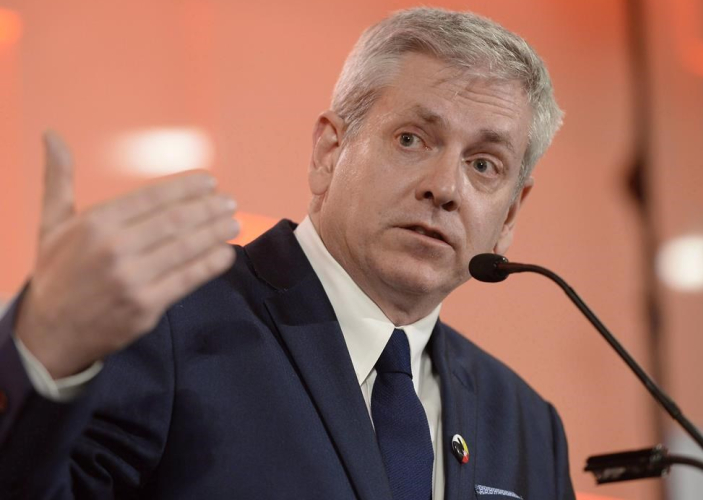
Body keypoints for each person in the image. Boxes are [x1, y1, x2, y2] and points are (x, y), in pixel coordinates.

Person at [0, 7, 575, 500]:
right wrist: (39, 354)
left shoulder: (527, 423)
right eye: (412, 139)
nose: (445, 188)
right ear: (329, 151)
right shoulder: (169, 319)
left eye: (484, 165)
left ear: (510, 216)